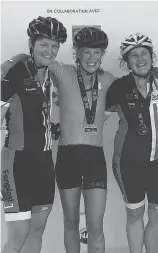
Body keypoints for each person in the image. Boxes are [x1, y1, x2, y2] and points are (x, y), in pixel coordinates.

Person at [2, 27, 158, 253]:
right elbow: (33, 59)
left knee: (95, 225)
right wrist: (14, 60)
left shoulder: (110, 80)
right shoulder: (61, 71)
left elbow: (135, 84)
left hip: (95, 158)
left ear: (103, 55)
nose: (92, 58)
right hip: (67, 157)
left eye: (97, 53)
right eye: (86, 52)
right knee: (71, 222)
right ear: (77, 53)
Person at [1, 16, 67, 253]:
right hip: (16, 162)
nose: (50, 51)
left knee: (37, 230)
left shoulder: (53, 74)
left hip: (44, 161)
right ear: (32, 44)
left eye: (55, 46)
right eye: (44, 44)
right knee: (18, 234)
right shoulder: (12, 74)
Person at [105, 33, 158, 253]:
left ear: (152, 56)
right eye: (133, 55)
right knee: (134, 215)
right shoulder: (117, 87)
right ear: (126, 62)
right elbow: (96, 119)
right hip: (128, 163)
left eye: (144, 53)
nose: (140, 59)